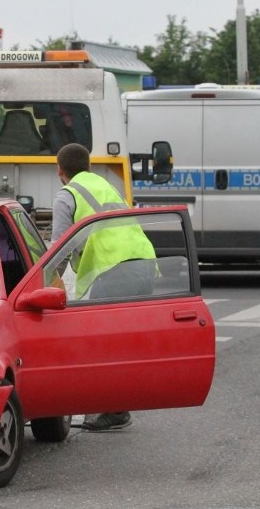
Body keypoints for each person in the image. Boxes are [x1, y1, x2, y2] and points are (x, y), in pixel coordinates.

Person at [51, 143, 156, 431]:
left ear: (59, 170)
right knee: (121, 343)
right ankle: (116, 409)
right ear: (89, 166)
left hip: (114, 270)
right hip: (144, 265)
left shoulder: (68, 195)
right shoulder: (106, 186)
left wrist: (40, 286)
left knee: (99, 344)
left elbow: (57, 250)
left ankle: (112, 411)